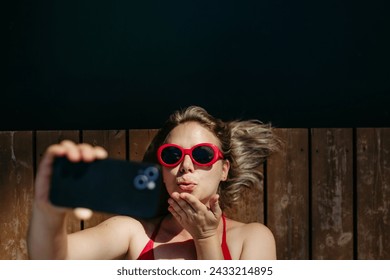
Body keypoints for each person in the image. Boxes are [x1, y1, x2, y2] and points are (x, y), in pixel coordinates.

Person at [27, 105, 281, 260]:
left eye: (202, 154)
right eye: (172, 155)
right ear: (161, 169)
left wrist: (205, 239)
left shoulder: (253, 238)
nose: (186, 165)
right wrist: (48, 209)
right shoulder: (133, 233)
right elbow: (49, 261)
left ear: (224, 169)